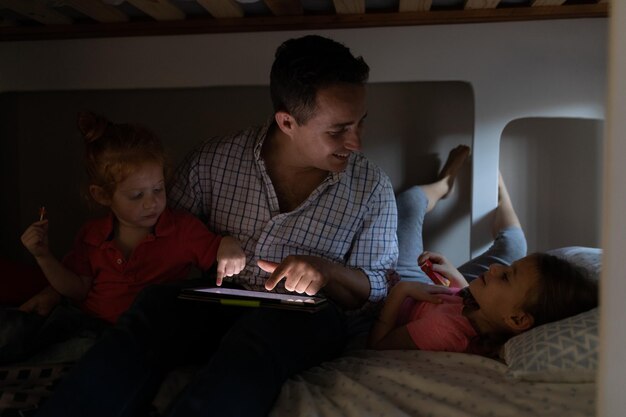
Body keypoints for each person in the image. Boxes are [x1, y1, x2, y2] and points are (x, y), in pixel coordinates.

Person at [36, 35, 399, 417]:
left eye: (360, 123)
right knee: (156, 306)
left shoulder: (370, 187)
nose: (356, 141)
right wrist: (58, 282)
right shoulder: (214, 162)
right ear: (287, 121)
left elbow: (377, 289)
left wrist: (325, 271)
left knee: (261, 337)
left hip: (305, 314)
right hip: (220, 298)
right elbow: (153, 232)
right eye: (338, 130)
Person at [0, 112, 245, 364]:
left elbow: (215, 252)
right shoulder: (92, 236)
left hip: (144, 333)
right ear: (102, 196)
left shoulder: (180, 228)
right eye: (137, 195)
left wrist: (228, 243)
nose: (152, 202)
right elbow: (76, 289)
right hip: (88, 323)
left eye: (158, 189)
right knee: (22, 329)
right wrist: (43, 256)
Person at [368, 162, 599, 355]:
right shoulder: (487, 313)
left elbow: (378, 347)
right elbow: (459, 302)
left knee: (408, 204)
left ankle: (442, 185)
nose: (497, 268)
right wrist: (455, 279)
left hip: (399, 290)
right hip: (436, 290)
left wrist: (402, 290)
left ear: (518, 320)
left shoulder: (444, 331)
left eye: (507, 277)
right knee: (515, 246)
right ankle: (499, 192)